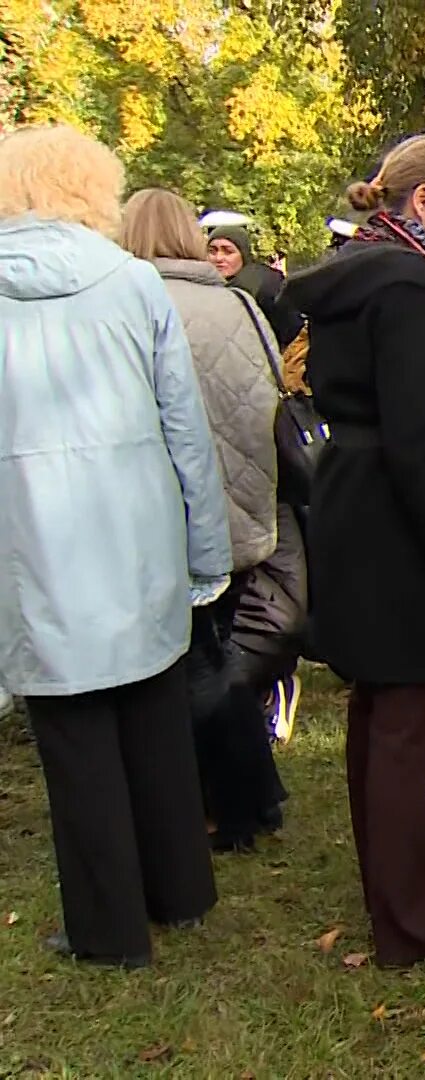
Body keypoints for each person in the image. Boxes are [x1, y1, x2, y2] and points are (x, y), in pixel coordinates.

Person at [0, 125, 229, 968]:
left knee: (76, 737)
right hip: (135, 539)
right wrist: (206, 550)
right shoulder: (135, 285)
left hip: (33, 545)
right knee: (152, 712)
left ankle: (110, 926)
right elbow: (186, 433)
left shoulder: (134, 283)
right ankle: (178, 889)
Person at [281, 133, 425, 969]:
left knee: (378, 714)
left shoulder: (358, 272)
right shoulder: (410, 287)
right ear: (422, 200)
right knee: (406, 718)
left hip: (353, 495)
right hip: (397, 513)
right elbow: (417, 438)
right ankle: (411, 920)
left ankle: (390, 891)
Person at [122, 187, 288, 851]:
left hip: (173, 514)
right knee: (220, 656)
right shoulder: (238, 302)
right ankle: (258, 795)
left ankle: (229, 808)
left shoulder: (134, 307)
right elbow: (270, 397)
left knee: (194, 670)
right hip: (243, 505)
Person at [207, 222, 302, 348]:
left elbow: (291, 329)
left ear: (243, 254)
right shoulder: (202, 286)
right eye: (212, 251)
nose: (219, 258)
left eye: (228, 252)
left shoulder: (265, 284)